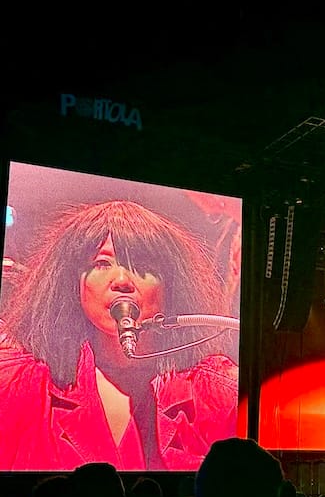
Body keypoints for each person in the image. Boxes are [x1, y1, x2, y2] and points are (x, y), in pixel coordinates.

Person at [0, 200, 239, 471]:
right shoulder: (19, 388)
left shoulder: (219, 395)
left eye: (142, 264)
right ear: (72, 282)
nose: (122, 281)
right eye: (102, 263)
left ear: (170, 286)